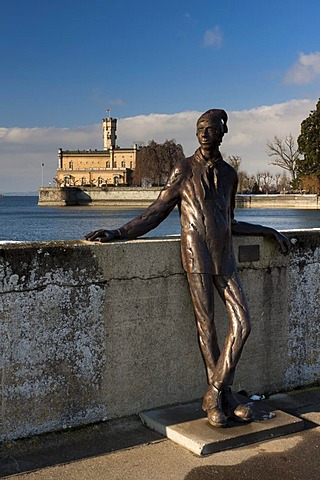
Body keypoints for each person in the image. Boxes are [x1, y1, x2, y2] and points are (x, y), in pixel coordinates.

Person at [85, 109, 290, 428]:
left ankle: (215, 392)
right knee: (206, 327)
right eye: (199, 129)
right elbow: (156, 211)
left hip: (224, 257)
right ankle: (222, 401)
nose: (204, 134)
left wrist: (269, 231)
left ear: (223, 132)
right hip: (196, 256)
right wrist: (119, 232)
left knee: (243, 323)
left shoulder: (230, 175)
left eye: (210, 129)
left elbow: (230, 221)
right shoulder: (184, 169)